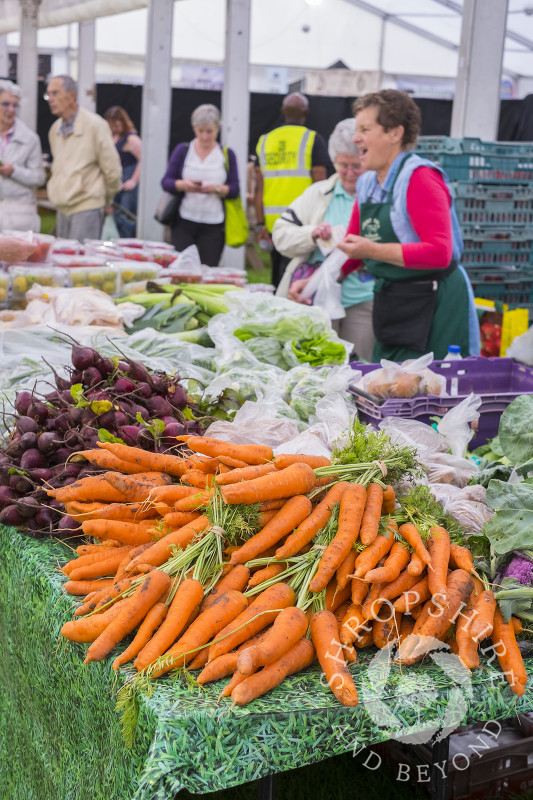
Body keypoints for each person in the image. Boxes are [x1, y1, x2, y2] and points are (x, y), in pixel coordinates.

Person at [338, 89, 480, 362]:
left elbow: (440, 252)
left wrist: (372, 250)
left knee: (438, 391)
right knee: (391, 386)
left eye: (365, 129)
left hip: (437, 304)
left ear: (395, 133)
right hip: (395, 301)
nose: (356, 138)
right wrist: (317, 280)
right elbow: (354, 245)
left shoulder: (420, 178)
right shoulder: (367, 182)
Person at [272, 119, 375, 362]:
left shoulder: (377, 197)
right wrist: (311, 234)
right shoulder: (318, 194)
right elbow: (281, 235)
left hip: (362, 299)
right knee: (318, 368)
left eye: (356, 166)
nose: (349, 173)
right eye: (343, 165)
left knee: (360, 367)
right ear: (333, 162)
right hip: (314, 300)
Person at [254, 92, 329, 287]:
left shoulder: (264, 141)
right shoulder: (313, 140)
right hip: (302, 223)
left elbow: (259, 188)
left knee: (277, 277)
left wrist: (259, 224)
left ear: (282, 112)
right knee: (296, 278)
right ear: (306, 112)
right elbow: (321, 184)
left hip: (272, 224)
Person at [160, 104, 240, 267]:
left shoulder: (226, 154)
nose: (204, 136)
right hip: (184, 220)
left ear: (217, 129)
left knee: (208, 269)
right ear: (194, 128)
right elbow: (166, 182)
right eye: (200, 131)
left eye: (209, 131)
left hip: (214, 223)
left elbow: (235, 189)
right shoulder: (183, 150)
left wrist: (216, 189)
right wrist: (184, 185)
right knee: (181, 268)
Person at [45, 75, 122, 241]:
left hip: (87, 207)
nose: (50, 99)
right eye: (48, 95)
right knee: (62, 260)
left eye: (55, 93)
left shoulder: (95, 125)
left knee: (81, 262)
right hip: (62, 208)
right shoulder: (55, 130)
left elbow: (112, 170)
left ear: (71, 95)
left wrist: (105, 200)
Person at [0, 79, 45, 232]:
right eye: (5, 104)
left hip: (19, 217)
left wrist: (14, 171)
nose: (11, 109)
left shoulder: (30, 138)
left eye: (15, 105)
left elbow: (39, 177)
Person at [104, 106, 141, 239]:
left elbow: (143, 160)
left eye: (116, 125)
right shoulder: (112, 137)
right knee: (114, 217)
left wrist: (134, 180)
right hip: (116, 184)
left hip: (128, 185)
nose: (113, 128)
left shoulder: (131, 139)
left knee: (126, 220)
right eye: (111, 125)